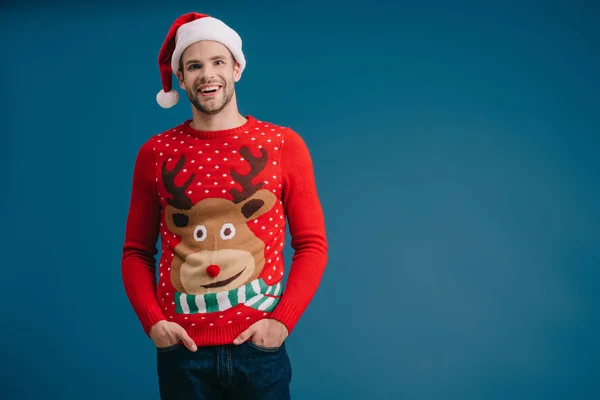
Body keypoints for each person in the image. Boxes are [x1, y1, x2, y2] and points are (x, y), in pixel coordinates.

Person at [121, 11, 328, 399]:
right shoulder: (156, 154)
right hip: (182, 352)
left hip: (259, 349)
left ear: (236, 68)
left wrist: (281, 323)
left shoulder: (283, 145)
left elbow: (312, 245)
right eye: (194, 66)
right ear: (180, 78)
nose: (207, 74)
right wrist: (154, 324)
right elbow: (136, 251)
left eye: (218, 62)